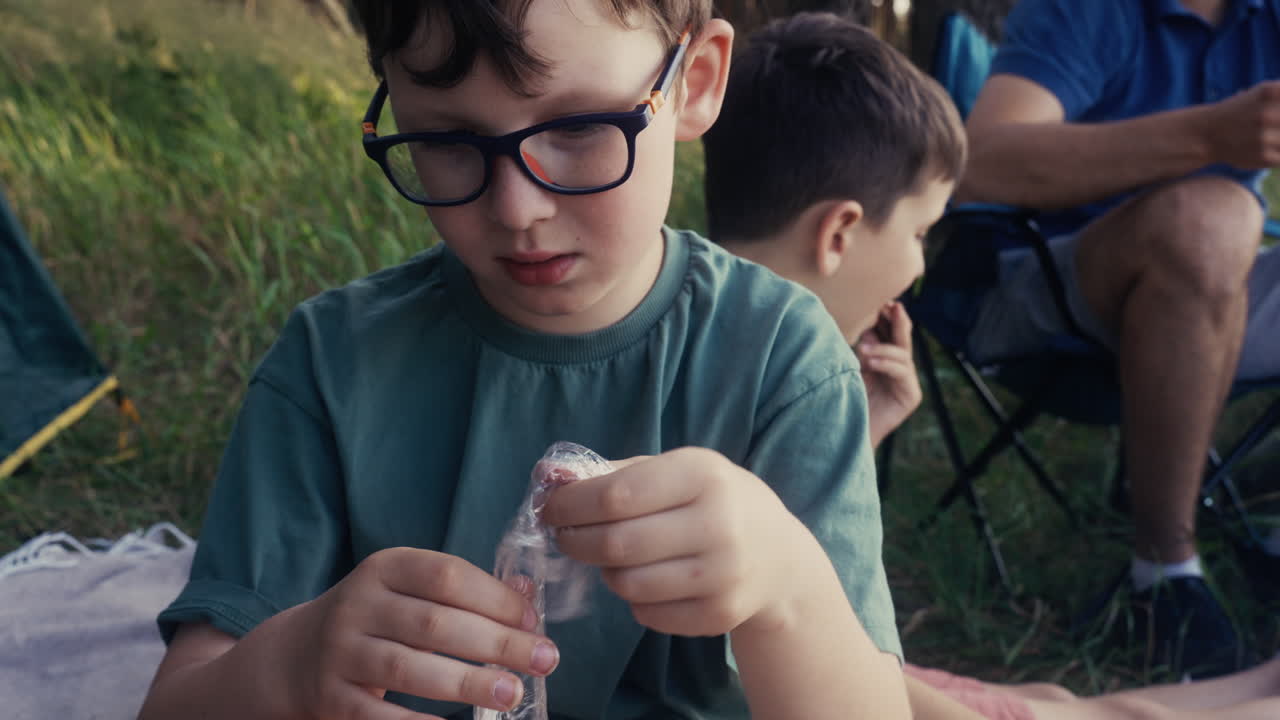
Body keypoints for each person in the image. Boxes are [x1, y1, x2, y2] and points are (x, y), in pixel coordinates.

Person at [136, 2, 912, 719]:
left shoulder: (782, 360)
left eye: (578, 126)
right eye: (446, 141)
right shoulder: (329, 364)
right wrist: (286, 666)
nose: (518, 209)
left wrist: (786, 583)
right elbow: (179, 701)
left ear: (696, 82)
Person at [703, 12, 1280, 720]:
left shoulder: (717, 344)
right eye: (920, 233)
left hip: (820, 659)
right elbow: (739, 651)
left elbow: (792, 537)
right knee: (1073, 710)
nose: (920, 263)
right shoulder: (779, 377)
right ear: (840, 233)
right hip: (813, 681)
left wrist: (862, 433)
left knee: (1049, 697)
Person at [954, 0, 1280, 679]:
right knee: (1210, 217)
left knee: (1219, 227)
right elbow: (982, 160)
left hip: (1217, 289)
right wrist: (1213, 137)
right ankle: (1162, 578)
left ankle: (1257, 504)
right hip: (1046, 276)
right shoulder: (1091, 9)